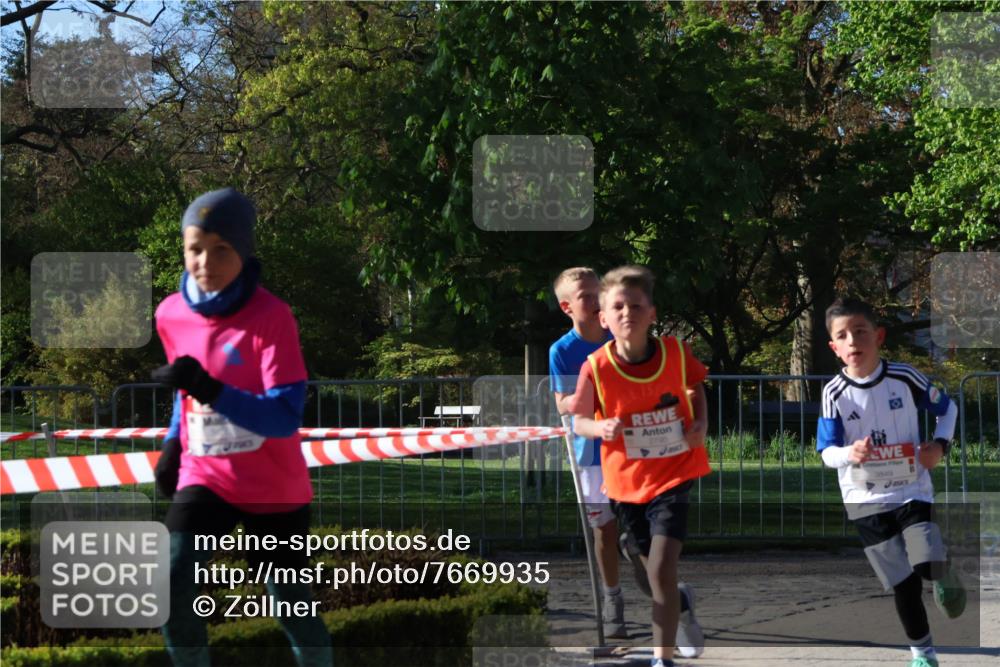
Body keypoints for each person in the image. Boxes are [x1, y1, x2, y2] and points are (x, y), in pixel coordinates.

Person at [152, 187, 331, 667]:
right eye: (194, 249)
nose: (205, 262)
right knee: (170, 580)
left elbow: (283, 415)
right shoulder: (170, 313)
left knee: (290, 606)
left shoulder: (272, 318)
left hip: (274, 485)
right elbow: (185, 392)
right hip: (206, 476)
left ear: (244, 251)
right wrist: (173, 443)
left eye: (221, 250)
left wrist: (210, 389)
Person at [570, 265, 708, 667]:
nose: (627, 312)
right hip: (627, 483)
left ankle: (661, 660)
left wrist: (700, 421)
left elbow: (695, 385)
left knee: (663, 567)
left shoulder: (674, 352)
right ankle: (681, 605)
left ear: (652, 313)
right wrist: (600, 426)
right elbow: (577, 420)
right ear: (604, 318)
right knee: (649, 573)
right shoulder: (596, 367)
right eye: (618, 306)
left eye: (636, 305)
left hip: (675, 472)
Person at [818, 297, 965, 667]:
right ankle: (923, 654)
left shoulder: (904, 377)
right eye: (843, 336)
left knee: (925, 561)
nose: (853, 342)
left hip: (910, 489)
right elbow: (825, 452)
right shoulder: (833, 394)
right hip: (863, 499)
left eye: (861, 332)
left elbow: (948, 409)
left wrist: (939, 445)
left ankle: (942, 571)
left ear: (878, 336)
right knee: (903, 585)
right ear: (834, 348)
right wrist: (849, 453)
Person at [549, 267, 625, 638]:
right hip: (589, 453)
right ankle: (612, 600)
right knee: (604, 530)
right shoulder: (562, 351)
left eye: (599, 293)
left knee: (643, 529)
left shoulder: (620, 336)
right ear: (567, 307)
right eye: (587, 297)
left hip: (630, 448)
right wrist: (590, 395)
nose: (596, 302)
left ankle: (659, 590)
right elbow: (564, 404)